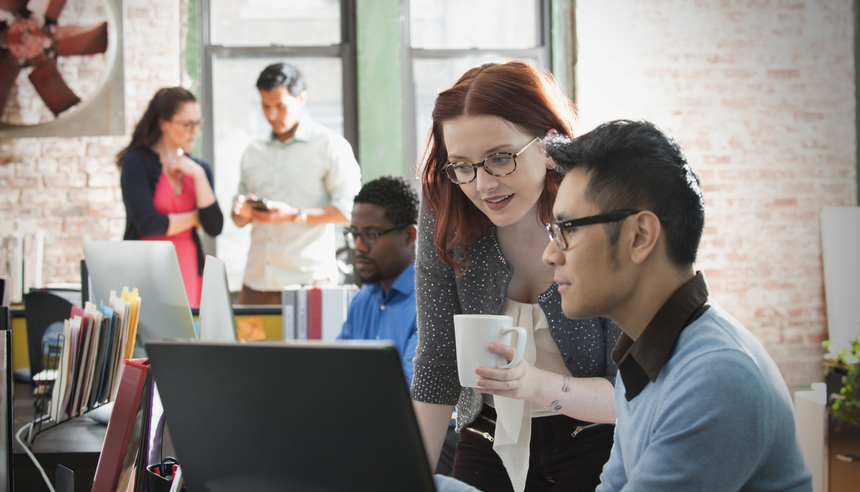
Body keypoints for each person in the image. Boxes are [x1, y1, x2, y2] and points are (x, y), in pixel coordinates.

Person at [542, 120, 812, 491]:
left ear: (640, 236)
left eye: (566, 229)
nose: (549, 254)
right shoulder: (643, 357)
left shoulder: (717, 376)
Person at [412, 60, 622, 492]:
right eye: (462, 165)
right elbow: (437, 363)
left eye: (500, 158)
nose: (483, 184)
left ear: (548, 143)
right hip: (488, 434)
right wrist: (408, 478)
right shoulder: (445, 208)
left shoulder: (601, 210)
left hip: (597, 435)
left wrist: (537, 385)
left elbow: (636, 393)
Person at [231, 62, 362, 304]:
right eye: (265, 106)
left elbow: (349, 212)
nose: (271, 115)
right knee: (251, 343)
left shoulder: (330, 145)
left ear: (301, 98)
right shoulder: (253, 151)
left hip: (309, 284)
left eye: (280, 106)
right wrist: (242, 212)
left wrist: (293, 214)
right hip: (255, 284)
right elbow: (239, 219)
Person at [118, 87, 223, 307]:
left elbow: (214, 226)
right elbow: (149, 224)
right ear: (164, 124)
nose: (194, 131)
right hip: (145, 266)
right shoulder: (136, 162)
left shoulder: (200, 168)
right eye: (187, 124)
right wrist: (197, 217)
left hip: (189, 267)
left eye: (198, 123)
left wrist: (198, 174)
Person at [337, 175, 418, 387]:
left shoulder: (429, 305)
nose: (358, 247)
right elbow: (333, 371)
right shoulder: (363, 299)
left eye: (371, 234)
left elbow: (408, 393)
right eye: (354, 234)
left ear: (410, 236)